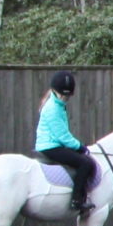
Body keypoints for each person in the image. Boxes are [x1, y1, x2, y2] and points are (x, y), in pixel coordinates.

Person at [36, 70, 97, 214]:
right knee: (86, 163)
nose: (65, 98)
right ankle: (77, 201)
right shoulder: (52, 108)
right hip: (51, 146)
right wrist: (81, 147)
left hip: (54, 144)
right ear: (55, 91)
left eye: (67, 96)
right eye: (63, 95)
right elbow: (62, 136)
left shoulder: (57, 104)